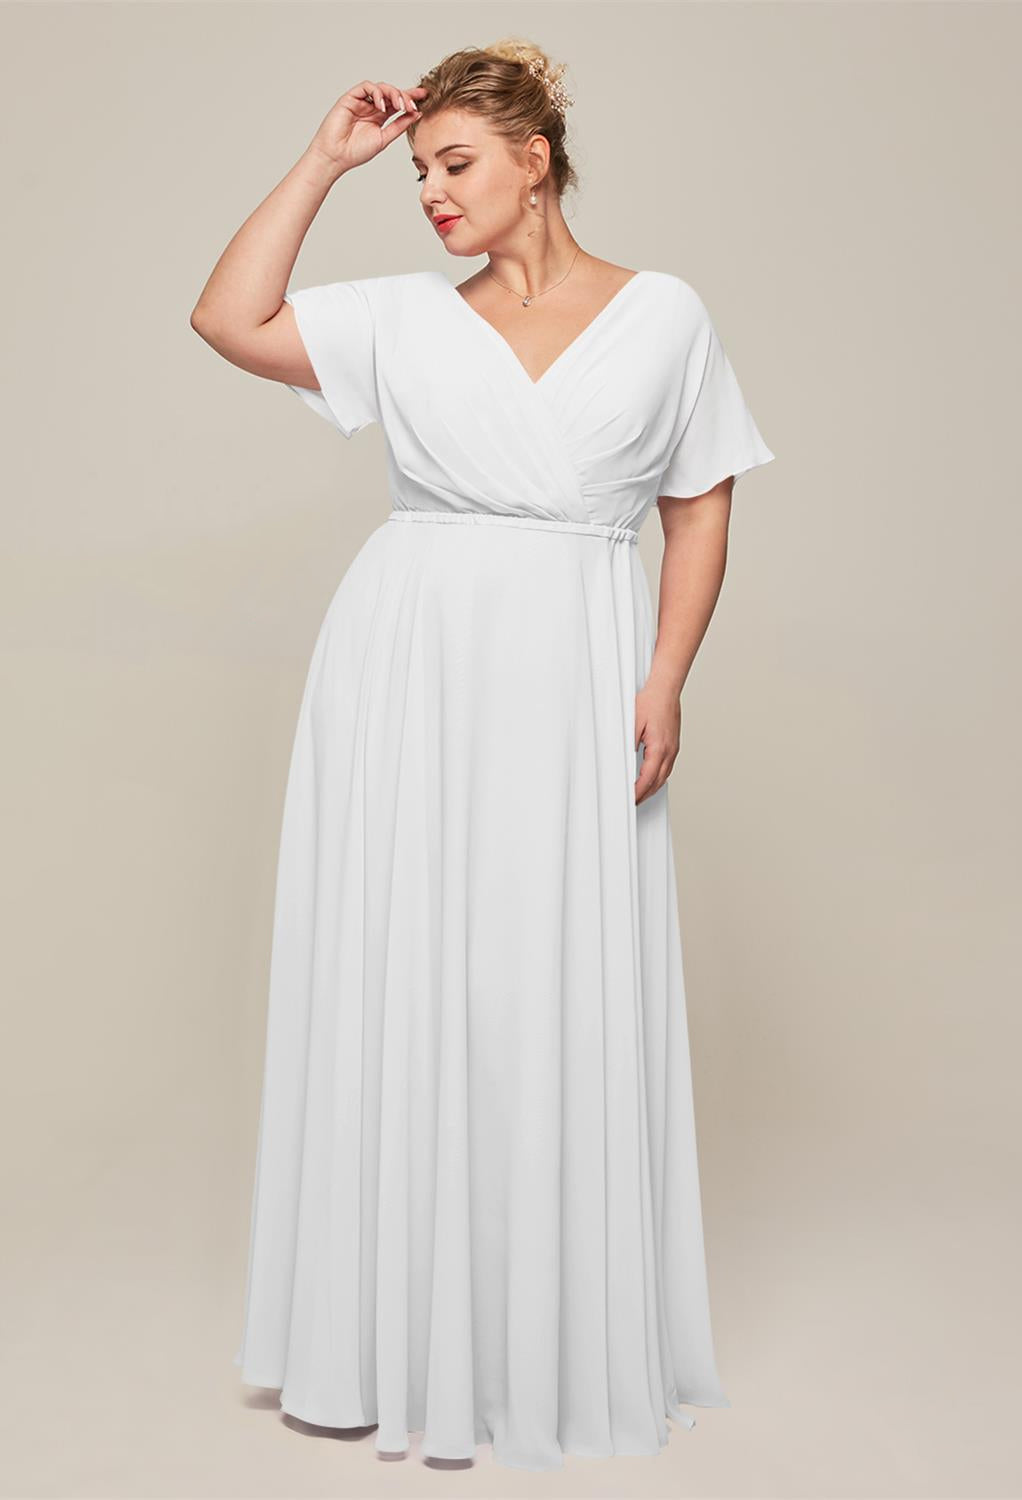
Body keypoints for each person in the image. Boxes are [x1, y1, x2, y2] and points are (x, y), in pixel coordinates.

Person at [191, 37, 774, 1473]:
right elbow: (226, 316)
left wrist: (665, 676)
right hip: (410, 670)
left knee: (548, 979)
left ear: (537, 158)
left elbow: (695, 504)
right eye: (416, 174)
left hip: (578, 661)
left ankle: (545, 1333)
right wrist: (325, 158)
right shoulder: (400, 318)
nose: (433, 195)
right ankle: (396, 1333)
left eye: (454, 165)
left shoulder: (664, 316)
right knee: (410, 969)